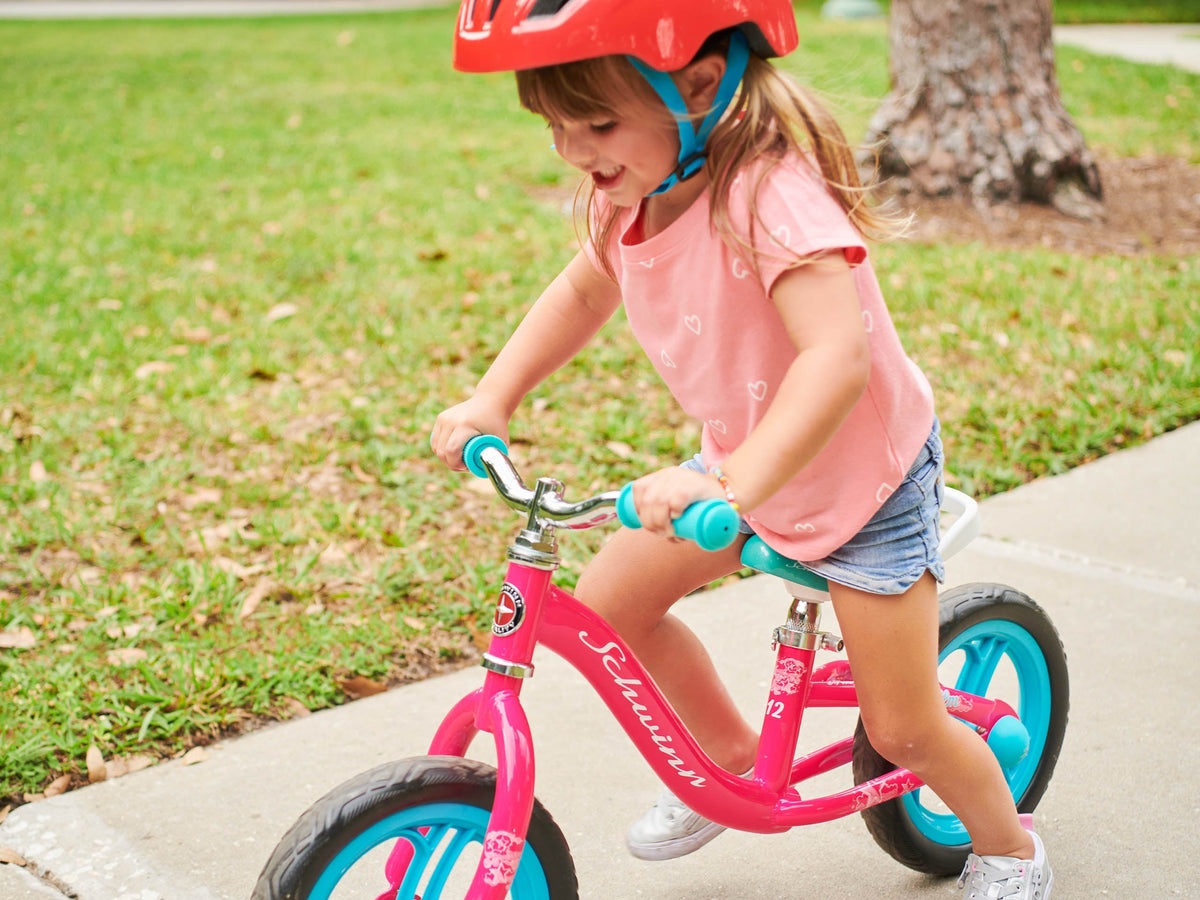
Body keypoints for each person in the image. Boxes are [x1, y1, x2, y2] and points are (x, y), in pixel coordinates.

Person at [431, 2, 1052, 897]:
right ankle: (726, 761)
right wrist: (494, 396)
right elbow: (580, 295)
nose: (572, 149)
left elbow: (836, 359)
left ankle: (1009, 848)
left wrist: (731, 481)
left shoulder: (768, 195)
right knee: (610, 605)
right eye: (554, 125)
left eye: (596, 123)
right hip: (745, 467)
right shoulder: (630, 193)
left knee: (904, 728)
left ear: (697, 84)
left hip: (861, 485)